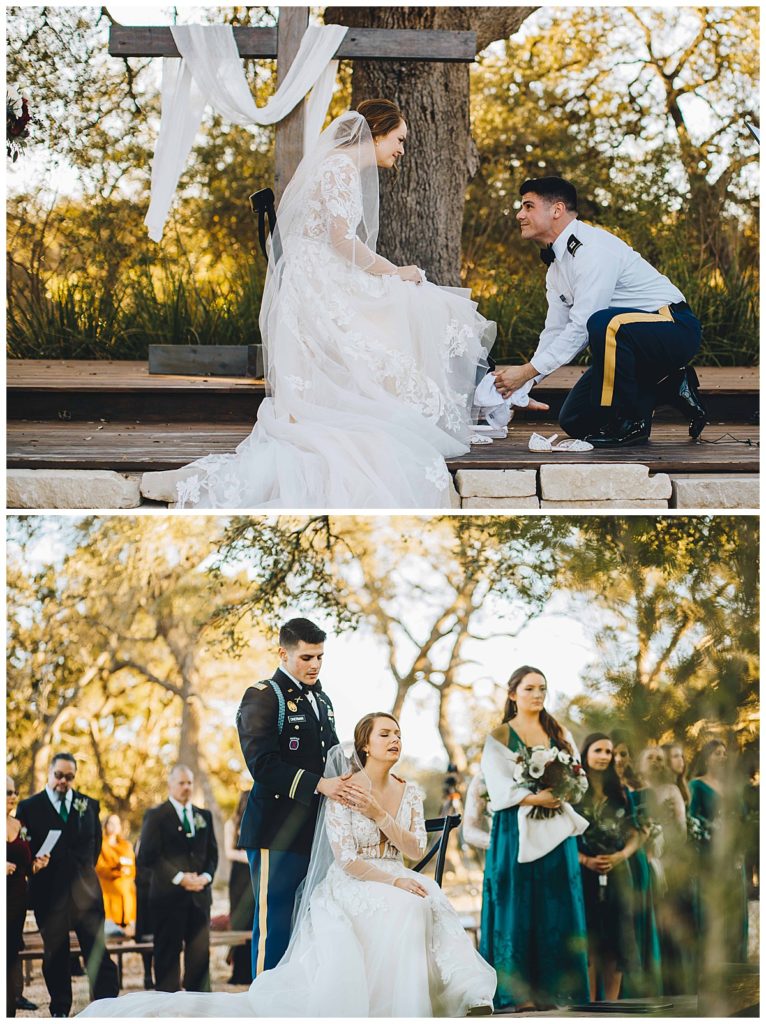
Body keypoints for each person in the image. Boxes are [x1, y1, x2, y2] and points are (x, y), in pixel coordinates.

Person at [141, 100, 545, 510]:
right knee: (421, 298)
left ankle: (477, 396)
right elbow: (341, 240)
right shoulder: (340, 167)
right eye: (399, 139)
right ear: (377, 131)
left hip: (320, 271)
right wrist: (392, 270)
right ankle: (474, 398)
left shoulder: (339, 165)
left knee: (420, 299)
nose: (402, 149)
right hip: (319, 278)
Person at [78, 713, 496, 1016]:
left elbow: (414, 844)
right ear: (365, 744)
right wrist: (392, 877)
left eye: (399, 734)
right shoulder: (342, 791)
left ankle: (456, 997)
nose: (395, 740)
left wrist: (380, 815)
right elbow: (348, 861)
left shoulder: (410, 793)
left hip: (395, 873)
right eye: (385, 733)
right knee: (406, 906)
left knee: (430, 899)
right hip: (354, 881)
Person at [493, 176, 706, 446]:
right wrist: (522, 384)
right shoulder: (557, 268)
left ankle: (632, 422)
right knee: (575, 420)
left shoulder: (592, 249)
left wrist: (526, 371)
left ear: (556, 210)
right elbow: (555, 331)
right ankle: (670, 388)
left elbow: (582, 326)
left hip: (673, 327)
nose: (519, 214)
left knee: (602, 323)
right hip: (628, 344)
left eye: (528, 206)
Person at [236, 617, 345, 976]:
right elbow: (262, 764)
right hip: (275, 830)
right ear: (284, 653)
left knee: (310, 921)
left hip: (316, 831)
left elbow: (332, 758)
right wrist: (319, 784)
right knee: (276, 923)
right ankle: (266, 1006)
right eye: (306, 657)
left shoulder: (324, 699)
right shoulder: (264, 696)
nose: (314, 665)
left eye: (320, 658)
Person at [479, 666, 589, 1011]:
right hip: (515, 829)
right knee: (517, 902)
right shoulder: (499, 736)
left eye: (542, 688)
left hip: (557, 830)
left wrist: (564, 790)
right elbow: (497, 785)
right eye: (529, 689)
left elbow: (578, 775)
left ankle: (560, 989)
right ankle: (519, 993)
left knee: (557, 903)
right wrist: (533, 798)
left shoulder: (559, 732)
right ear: (513, 694)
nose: (537, 695)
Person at [16, 753, 119, 1017]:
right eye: (59, 775)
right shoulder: (29, 807)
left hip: (87, 895)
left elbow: (95, 846)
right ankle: (60, 1011)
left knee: (97, 953)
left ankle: (106, 1007)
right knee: (56, 957)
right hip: (48, 895)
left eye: (69, 777)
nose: (64, 781)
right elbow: (25, 849)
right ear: (49, 774)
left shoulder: (89, 804)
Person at [136, 765, 219, 993]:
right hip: (167, 898)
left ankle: (199, 1007)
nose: (186, 787)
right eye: (181, 783)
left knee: (200, 958)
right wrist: (180, 877)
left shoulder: (204, 816)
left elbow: (212, 854)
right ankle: (168, 1008)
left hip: (200, 898)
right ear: (170, 785)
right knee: (167, 956)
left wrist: (205, 877)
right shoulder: (156, 816)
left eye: (189, 783)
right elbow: (148, 856)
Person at [577, 734, 641, 1001]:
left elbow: (636, 834)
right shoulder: (574, 792)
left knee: (617, 940)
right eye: (598, 750)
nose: (604, 756)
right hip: (584, 873)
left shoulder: (622, 794)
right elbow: (561, 834)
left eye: (609, 751)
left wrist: (620, 856)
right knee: (591, 939)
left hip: (617, 873)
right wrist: (585, 860)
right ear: (586, 754)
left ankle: (612, 1007)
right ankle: (592, 1005)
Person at [609, 730, 662, 998]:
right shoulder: (600, 787)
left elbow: (644, 829)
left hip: (635, 860)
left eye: (623, 753)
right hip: (606, 859)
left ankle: (640, 986)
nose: (618, 759)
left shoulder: (639, 789)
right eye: (613, 753)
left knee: (637, 917)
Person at [637, 745, 694, 994]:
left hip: (667, 863)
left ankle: (673, 984)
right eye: (650, 757)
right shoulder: (632, 791)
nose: (656, 762)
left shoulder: (671, 790)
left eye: (660, 758)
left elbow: (681, 830)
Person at [689, 740, 748, 965]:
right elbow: (692, 820)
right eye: (717, 753)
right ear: (706, 758)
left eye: (725, 753)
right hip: (710, 858)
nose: (722, 757)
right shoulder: (697, 785)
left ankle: (736, 969)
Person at [7, 774, 50, 1017]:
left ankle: (10, 1009)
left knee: (12, 952)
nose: (13, 796)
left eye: (14, 792)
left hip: (18, 900)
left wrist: (37, 865)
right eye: (7, 792)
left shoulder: (18, 825)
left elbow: (26, 866)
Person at [224, 793, 254, 985]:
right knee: (239, 919)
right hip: (240, 874)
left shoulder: (255, 819)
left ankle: (251, 970)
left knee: (253, 919)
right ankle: (238, 970)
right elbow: (228, 852)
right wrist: (248, 857)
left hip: (254, 873)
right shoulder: (231, 824)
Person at [95, 814, 137, 935]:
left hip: (126, 894)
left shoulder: (126, 845)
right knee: (110, 932)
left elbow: (132, 867)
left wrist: (126, 871)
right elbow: (99, 867)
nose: (114, 826)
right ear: (106, 825)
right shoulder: (100, 844)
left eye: (117, 823)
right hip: (108, 892)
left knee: (125, 932)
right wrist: (117, 870)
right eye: (111, 823)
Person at [661, 741, 691, 807]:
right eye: (676, 756)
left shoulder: (683, 785)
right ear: (665, 760)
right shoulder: (662, 789)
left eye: (681, 756)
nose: (681, 760)